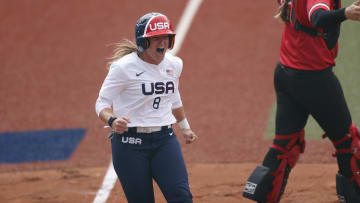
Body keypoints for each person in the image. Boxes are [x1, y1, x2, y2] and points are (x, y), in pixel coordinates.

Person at [242, 0, 360, 202]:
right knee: (348, 143)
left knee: (285, 145)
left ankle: (263, 197)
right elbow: (318, 17)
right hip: (314, 80)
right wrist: (345, 13)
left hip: (286, 73)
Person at [95, 12, 197, 203]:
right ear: (143, 42)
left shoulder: (175, 64)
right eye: (156, 38)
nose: (162, 43)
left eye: (165, 37)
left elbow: (173, 97)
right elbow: (101, 103)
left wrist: (185, 127)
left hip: (164, 140)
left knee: (181, 197)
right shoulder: (123, 68)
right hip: (129, 145)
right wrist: (112, 120)